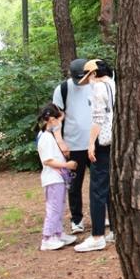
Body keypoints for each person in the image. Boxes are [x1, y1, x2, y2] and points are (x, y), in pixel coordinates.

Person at [74, 59, 116, 252]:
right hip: (113, 141)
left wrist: (90, 143)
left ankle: (97, 235)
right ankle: (115, 229)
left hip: (102, 141)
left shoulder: (99, 87)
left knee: (97, 189)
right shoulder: (113, 84)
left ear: (93, 74)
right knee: (109, 187)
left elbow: (98, 118)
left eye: (88, 77)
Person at [52, 58, 94, 235]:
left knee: (101, 183)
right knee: (75, 185)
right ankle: (77, 220)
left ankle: (105, 216)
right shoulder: (63, 89)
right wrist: (60, 142)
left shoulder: (96, 85)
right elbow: (55, 118)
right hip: (73, 145)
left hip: (95, 144)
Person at [36, 103, 78, 251]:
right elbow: (47, 160)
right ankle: (47, 238)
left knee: (59, 207)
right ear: (52, 120)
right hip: (52, 178)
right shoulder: (46, 138)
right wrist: (67, 165)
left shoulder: (47, 135)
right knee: (54, 208)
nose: (60, 123)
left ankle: (57, 233)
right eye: (59, 120)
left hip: (57, 178)